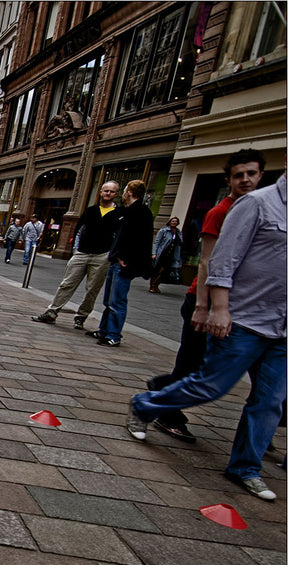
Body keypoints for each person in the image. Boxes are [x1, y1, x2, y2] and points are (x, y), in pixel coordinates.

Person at [127, 173, 286, 501]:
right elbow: (221, 261)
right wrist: (217, 308)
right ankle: (145, 405)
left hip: (282, 328)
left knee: (270, 401)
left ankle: (245, 467)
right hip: (244, 319)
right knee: (210, 385)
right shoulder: (257, 204)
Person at [146, 149, 266, 442]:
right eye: (239, 175)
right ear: (229, 180)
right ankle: (166, 412)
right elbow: (206, 262)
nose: (246, 180)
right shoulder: (219, 212)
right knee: (192, 363)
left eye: (252, 174)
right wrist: (202, 305)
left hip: (243, 304)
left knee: (222, 367)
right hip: (205, 299)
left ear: (261, 176)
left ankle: (163, 384)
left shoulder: (261, 210)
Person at [31, 181, 121, 329]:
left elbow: (118, 236)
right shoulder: (91, 211)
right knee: (67, 284)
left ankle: (81, 317)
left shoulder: (119, 214)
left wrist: (110, 254)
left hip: (102, 256)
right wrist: (76, 250)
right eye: (106, 191)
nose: (108, 194)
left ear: (116, 194)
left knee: (92, 289)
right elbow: (79, 230)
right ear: (100, 192)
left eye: (111, 192)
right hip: (82, 253)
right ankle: (52, 312)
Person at [87, 180, 153, 347]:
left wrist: (127, 258)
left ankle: (113, 335)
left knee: (117, 300)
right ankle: (104, 331)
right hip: (116, 259)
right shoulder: (127, 211)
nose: (123, 194)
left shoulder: (141, 212)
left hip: (124, 263)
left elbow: (141, 240)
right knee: (109, 299)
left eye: (124, 191)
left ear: (129, 192)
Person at [148, 216, 183, 293]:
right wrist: (154, 253)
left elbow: (179, 245)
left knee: (165, 272)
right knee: (157, 270)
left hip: (171, 255)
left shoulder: (178, 232)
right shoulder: (164, 231)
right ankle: (152, 286)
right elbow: (156, 242)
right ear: (170, 222)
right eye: (173, 221)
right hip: (162, 253)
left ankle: (157, 285)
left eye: (176, 221)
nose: (174, 223)